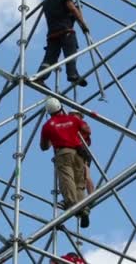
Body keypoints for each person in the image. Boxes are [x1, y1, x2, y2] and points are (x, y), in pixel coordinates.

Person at [41, 97, 92, 228]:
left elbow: (43, 147)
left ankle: (73, 205)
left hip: (63, 153)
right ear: (61, 107)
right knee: (79, 183)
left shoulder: (47, 126)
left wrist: (52, 138)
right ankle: (84, 209)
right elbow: (87, 130)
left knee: (66, 180)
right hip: (78, 154)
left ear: (49, 112)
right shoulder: (73, 119)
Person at [35, 0, 90, 88]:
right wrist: (83, 24)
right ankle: (73, 75)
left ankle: (40, 77)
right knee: (71, 53)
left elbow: (59, 14)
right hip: (65, 32)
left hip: (52, 35)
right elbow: (73, 10)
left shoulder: (46, 2)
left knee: (50, 58)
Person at [69, 110, 95, 195]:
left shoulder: (82, 123)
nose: (71, 116)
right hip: (78, 152)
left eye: (73, 115)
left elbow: (88, 131)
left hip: (82, 152)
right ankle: (77, 197)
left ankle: (91, 194)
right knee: (76, 177)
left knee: (85, 175)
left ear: (78, 115)